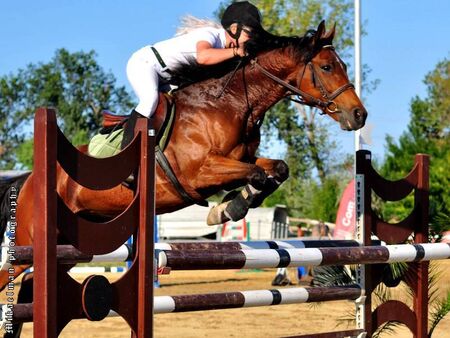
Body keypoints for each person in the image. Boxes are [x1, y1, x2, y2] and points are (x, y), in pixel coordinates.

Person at [121, 1, 266, 148]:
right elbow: (203, 57)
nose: (252, 39)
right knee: (149, 101)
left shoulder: (225, 51)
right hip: (146, 64)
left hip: (169, 79)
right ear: (235, 29)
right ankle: (126, 153)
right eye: (250, 34)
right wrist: (236, 52)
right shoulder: (210, 34)